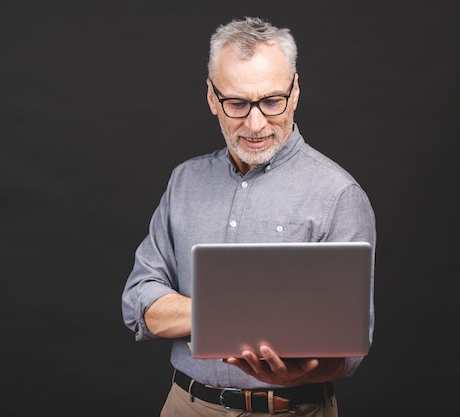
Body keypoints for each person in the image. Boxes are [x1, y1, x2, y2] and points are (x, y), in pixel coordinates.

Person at [121, 16, 376, 417]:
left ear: (294, 92)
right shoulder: (184, 181)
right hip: (186, 405)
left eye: (272, 101)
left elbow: (349, 348)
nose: (255, 124)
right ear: (211, 97)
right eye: (237, 103)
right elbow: (140, 300)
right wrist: (236, 314)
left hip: (291, 409)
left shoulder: (339, 195)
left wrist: (299, 372)